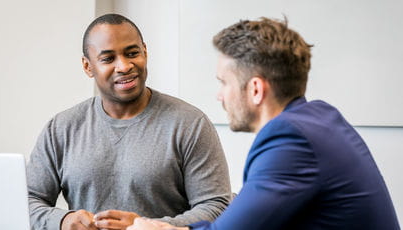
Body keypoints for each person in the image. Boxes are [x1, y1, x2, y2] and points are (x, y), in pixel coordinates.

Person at [126, 17, 401, 230]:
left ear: (255, 89)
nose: (219, 95)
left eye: (224, 82)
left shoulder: (290, 140)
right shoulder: (320, 117)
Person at [26, 13, 231, 230]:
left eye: (132, 53)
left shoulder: (190, 124)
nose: (124, 66)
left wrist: (145, 227)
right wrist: (62, 220)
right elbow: (27, 201)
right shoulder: (61, 128)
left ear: (145, 52)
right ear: (88, 66)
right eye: (108, 59)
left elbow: (216, 206)